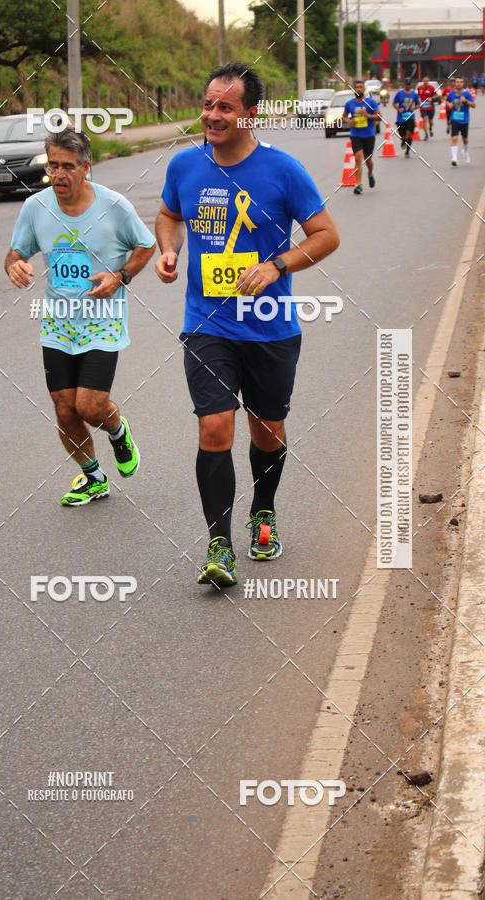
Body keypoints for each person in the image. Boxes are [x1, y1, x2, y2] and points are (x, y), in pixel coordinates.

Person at [154, 62, 339, 586]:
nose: (211, 115)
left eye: (225, 107)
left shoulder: (283, 170)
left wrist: (277, 264)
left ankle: (263, 509)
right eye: (208, 104)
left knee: (267, 429)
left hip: (270, 325)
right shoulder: (185, 167)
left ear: (250, 114)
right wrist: (170, 251)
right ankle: (219, 543)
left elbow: (325, 234)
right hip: (207, 323)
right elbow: (169, 214)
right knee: (215, 426)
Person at [5, 126, 156, 505]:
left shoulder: (114, 207)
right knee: (64, 407)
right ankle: (93, 477)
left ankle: (118, 432)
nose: (59, 174)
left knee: (89, 406)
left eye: (68, 166)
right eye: (53, 165)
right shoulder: (35, 208)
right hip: (57, 323)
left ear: (86, 167)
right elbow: (15, 252)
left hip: (103, 322)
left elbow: (146, 245)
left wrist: (121, 276)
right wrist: (15, 265)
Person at [343, 80, 379, 195]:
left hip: (369, 134)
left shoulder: (371, 102)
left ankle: (370, 173)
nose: (358, 89)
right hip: (355, 135)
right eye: (356, 87)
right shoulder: (349, 104)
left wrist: (367, 115)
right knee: (358, 157)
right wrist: (349, 121)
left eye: (360, 87)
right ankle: (358, 184)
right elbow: (343, 117)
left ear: (364, 89)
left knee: (368, 160)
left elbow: (379, 116)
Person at [447, 75, 476, 165]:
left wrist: (466, 101)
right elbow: (447, 101)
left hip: (464, 120)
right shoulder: (452, 94)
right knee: (454, 138)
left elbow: (474, 105)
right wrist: (449, 104)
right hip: (455, 119)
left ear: (463, 83)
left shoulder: (467, 93)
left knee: (465, 139)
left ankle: (466, 152)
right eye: (457, 82)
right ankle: (454, 158)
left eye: (460, 82)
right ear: (454, 84)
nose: (458, 84)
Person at [393, 76, 420, 156]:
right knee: (403, 135)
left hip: (410, 117)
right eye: (406, 84)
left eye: (409, 84)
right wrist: (398, 109)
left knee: (409, 134)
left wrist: (414, 107)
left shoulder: (414, 94)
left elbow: (419, 104)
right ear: (404, 84)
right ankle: (403, 140)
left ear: (411, 84)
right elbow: (394, 103)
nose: (408, 85)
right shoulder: (399, 93)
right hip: (401, 118)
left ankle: (407, 150)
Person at [417, 74, 436, 139]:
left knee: (431, 121)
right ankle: (426, 134)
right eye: (424, 81)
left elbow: (436, 95)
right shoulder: (419, 88)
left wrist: (432, 98)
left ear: (428, 81)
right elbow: (417, 96)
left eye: (427, 81)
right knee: (424, 119)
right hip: (423, 107)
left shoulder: (431, 88)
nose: (425, 82)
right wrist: (418, 102)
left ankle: (430, 128)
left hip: (430, 106)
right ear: (422, 81)